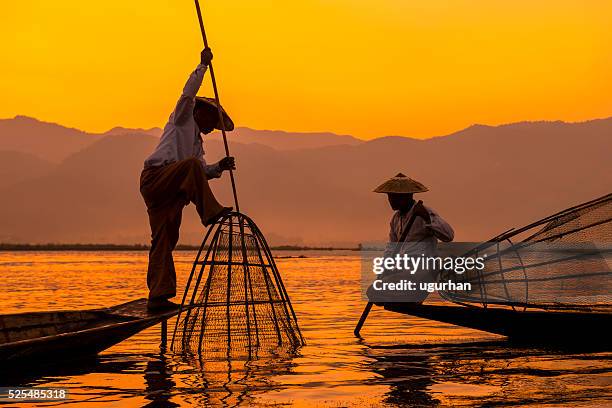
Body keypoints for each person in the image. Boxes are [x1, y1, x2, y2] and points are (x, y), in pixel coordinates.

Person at [140, 48, 235, 311]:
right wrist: (203, 65)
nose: (211, 129)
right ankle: (210, 213)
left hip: (171, 192)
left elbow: (201, 171)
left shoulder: (196, 146)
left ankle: (158, 295)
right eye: (211, 122)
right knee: (191, 166)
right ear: (200, 113)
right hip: (156, 179)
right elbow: (188, 93)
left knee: (165, 240)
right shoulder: (182, 119)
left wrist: (219, 167)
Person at [370, 173, 454, 303]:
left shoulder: (424, 212)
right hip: (405, 272)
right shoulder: (395, 219)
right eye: (389, 197)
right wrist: (383, 271)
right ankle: (404, 298)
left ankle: (409, 297)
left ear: (405, 197)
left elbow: (449, 236)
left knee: (380, 292)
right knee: (373, 292)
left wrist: (426, 218)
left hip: (424, 273)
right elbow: (391, 249)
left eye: (394, 197)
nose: (390, 201)